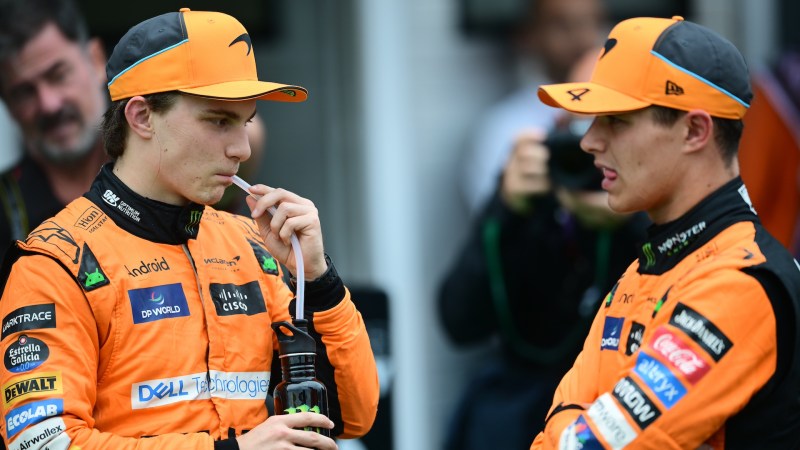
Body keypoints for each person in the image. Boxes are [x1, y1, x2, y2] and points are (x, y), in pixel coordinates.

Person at [0, 7, 378, 450]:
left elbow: (351, 417)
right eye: (218, 120)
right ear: (141, 117)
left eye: (245, 121)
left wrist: (319, 279)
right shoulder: (55, 265)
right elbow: (42, 443)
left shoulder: (250, 246)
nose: (239, 148)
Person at [532, 16, 800, 448]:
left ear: (695, 130)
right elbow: (564, 422)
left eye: (616, 120)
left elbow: (586, 443)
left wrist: (576, 424)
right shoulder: (649, 266)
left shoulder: (740, 285)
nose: (589, 141)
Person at [438, 48, 649, 450]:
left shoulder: (651, 209)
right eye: (581, 126)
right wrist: (506, 206)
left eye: (614, 124)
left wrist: (630, 218)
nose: (594, 148)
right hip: (523, 410)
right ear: (558, 127)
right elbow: (458, 320)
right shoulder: (534, 197)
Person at [0, 0, 266, 261]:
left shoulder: (174, 152)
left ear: (94, 59)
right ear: (7, 105)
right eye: (23, 92)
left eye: (58, 75)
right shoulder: (7, 209)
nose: (49, 104)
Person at [460, 0, 606, 215]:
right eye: (562, 25)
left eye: (591, 22)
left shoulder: (628, 114)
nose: (581, 38)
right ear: (529, 35)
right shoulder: (501, 129)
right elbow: (488, 224)